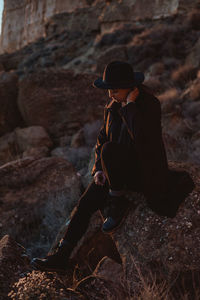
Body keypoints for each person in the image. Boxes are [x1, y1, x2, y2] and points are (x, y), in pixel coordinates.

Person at [31, 61, 170, 272]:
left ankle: (117, 203)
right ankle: (60, 257)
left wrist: (130, 107)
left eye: (115, 90)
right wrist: (98, 169)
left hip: (143, 172)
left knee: (109, 151)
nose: (111, 95)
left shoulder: (149, 104)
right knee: (86, 202)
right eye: (108, 91)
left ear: (131, 87)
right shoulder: (112, 107)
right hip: (117, 171)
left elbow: (143, 140)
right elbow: (101, 139)